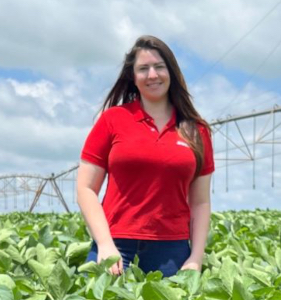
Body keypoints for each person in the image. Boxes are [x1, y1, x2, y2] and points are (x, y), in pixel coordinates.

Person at [76, 35, 214, 277]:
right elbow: (85, 188)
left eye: (159, 67)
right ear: (133, 77)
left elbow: (200, 202)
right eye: (143, 69)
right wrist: (105, 244)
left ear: (171, 72)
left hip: (173, 254)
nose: (152, 75)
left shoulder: (197, 130)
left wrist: (196, 257)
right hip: (116, 248)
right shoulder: (113, 119)